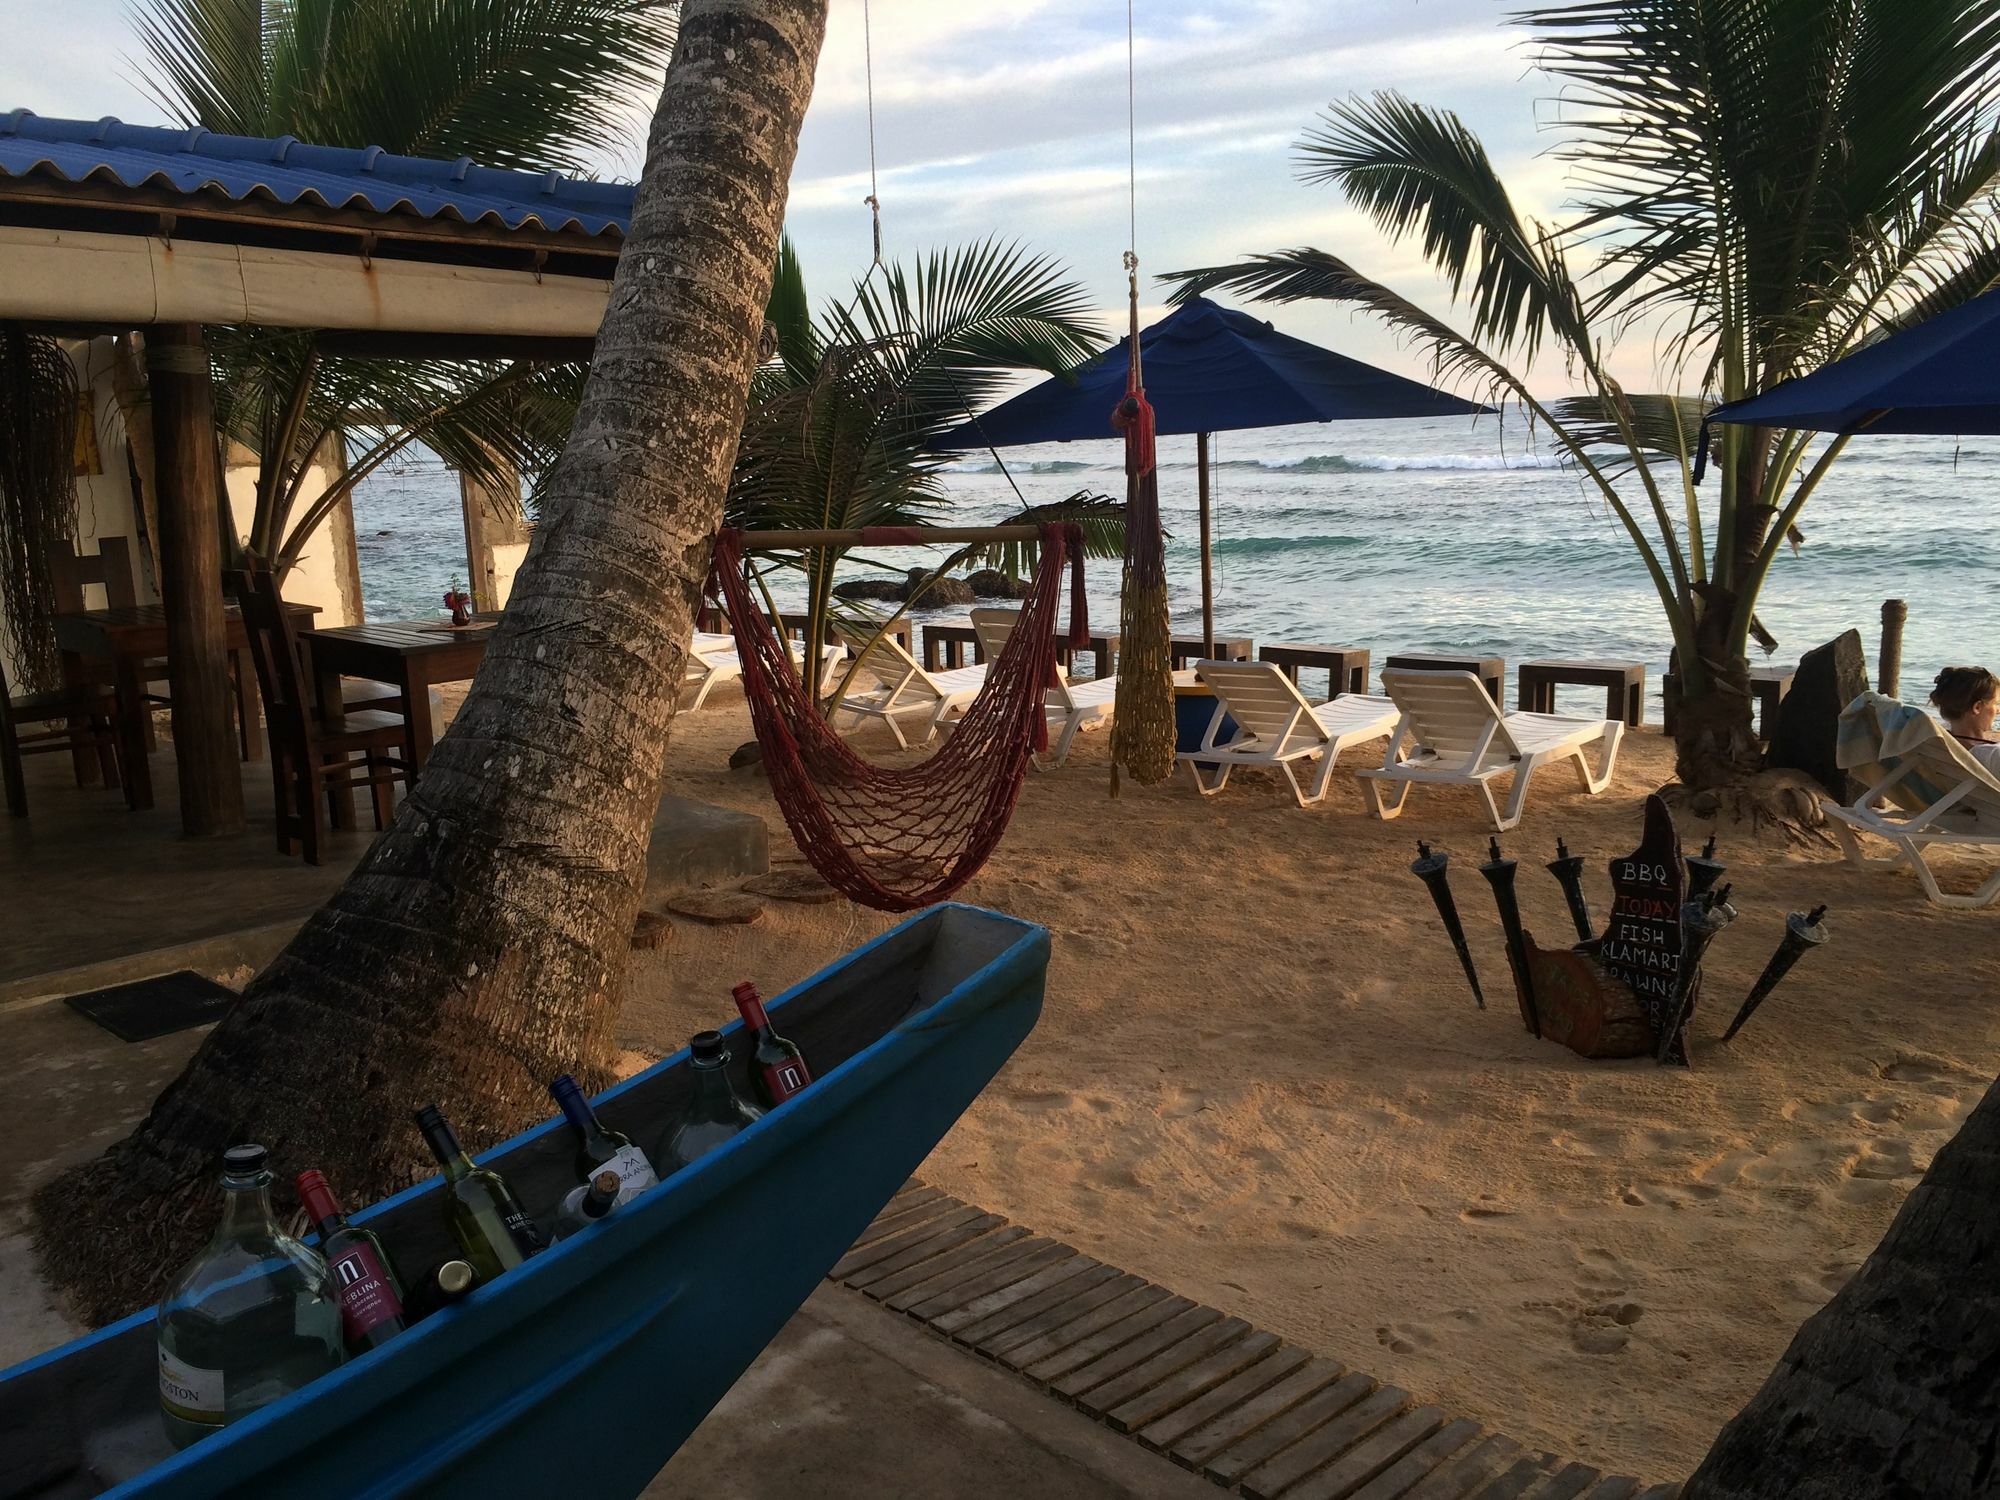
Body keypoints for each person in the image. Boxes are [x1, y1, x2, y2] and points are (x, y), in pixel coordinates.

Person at [1930, 665, 2000, 773]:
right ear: (1977, 707)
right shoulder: (1992, 755)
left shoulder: (1935, 745)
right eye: (1996, 703)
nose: (1998, 710)